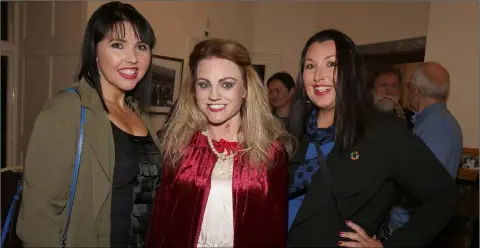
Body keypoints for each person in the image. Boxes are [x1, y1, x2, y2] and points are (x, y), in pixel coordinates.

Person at [287, 29, 458, 247]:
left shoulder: (383, 132)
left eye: (331, 64)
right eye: (310, 65)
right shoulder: (295, 130)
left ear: (351, 72)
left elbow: (444, 197)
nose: (318, 75)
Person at [16, 2, 162, 247]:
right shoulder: (67, 110)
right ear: (94, 52)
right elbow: (38, 219)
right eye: (117, 45)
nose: (133, 58)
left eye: (141, 47)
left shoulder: (139, 113)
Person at [146, 38, 292, 248]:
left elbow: (275, 229)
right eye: (204, 85)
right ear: (194, 90)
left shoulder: (270, 151)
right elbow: (161, 223)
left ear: (244, 90)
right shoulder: (180, 144)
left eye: (227, 84)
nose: (214, 96)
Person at [387, 61, 463, 233]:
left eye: (408, 86)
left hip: (409, 229)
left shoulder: (435, 128)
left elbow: (421, 188)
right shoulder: (439, 122)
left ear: (416, 90)